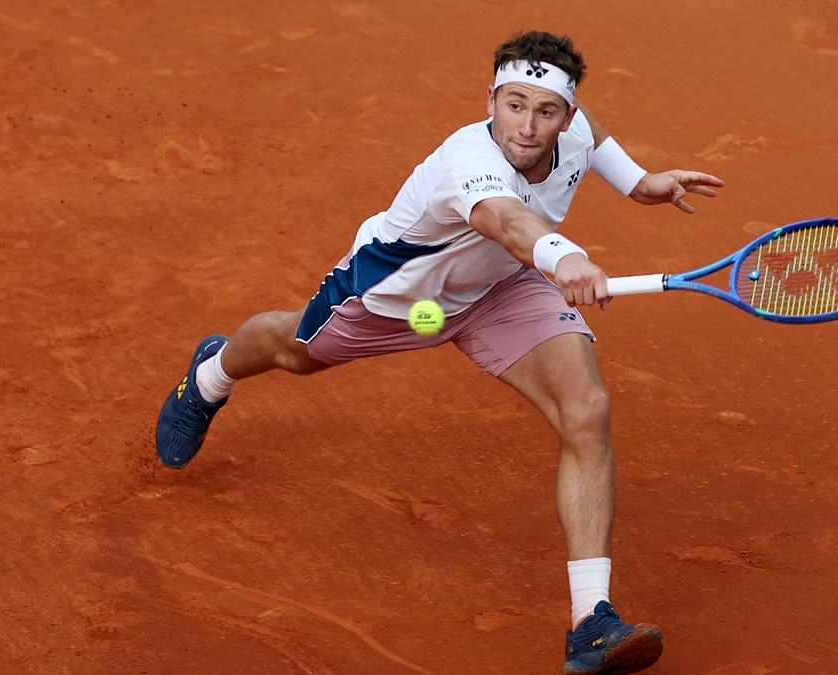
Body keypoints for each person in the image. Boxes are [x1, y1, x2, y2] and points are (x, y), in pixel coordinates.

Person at [155, 30, 723, 674]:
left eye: (545, 111)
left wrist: (638, 180)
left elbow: (593, 134)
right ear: (490, 100)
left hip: (503, 289)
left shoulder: (574, 127)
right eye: (513, 104)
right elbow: (509, 222)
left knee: (586, 411)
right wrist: (567, 257)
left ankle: (592, 623)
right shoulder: (468, 160)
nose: (528, 126)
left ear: (565, 114)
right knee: (296, 352)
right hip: (396, 295)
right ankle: (209, 376)